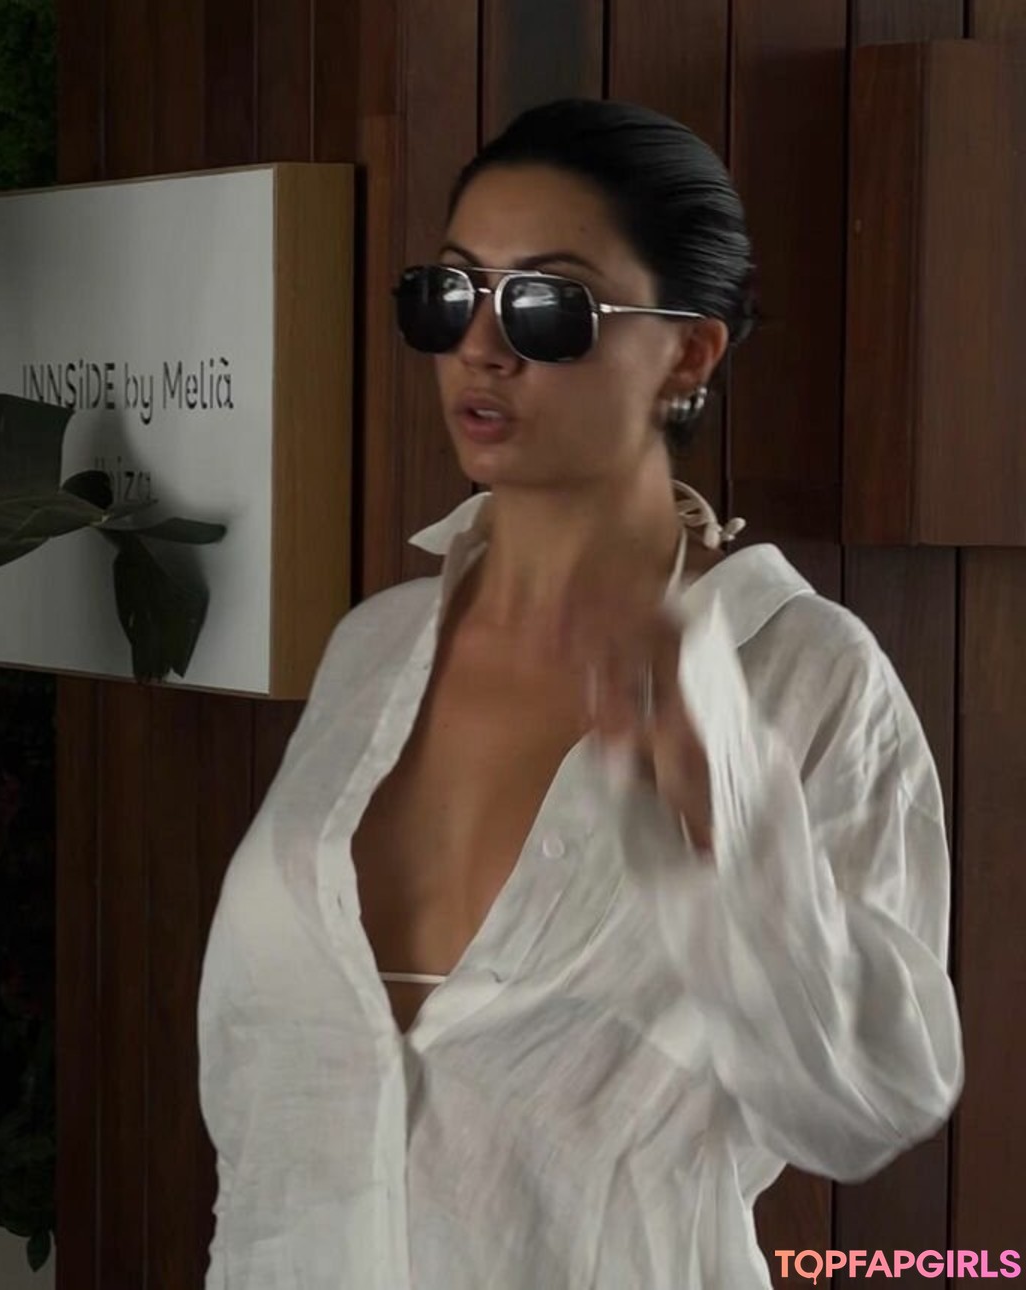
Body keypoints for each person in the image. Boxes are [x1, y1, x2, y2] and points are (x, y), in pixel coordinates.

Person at [197, 99, 963, 1289]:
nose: (481, 347)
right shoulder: (372, 651)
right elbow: (262, 1113)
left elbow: (866, 1104)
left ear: (689, 353)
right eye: (449, 295)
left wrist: (733, 821)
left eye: (549, 307)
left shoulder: (807, 676)